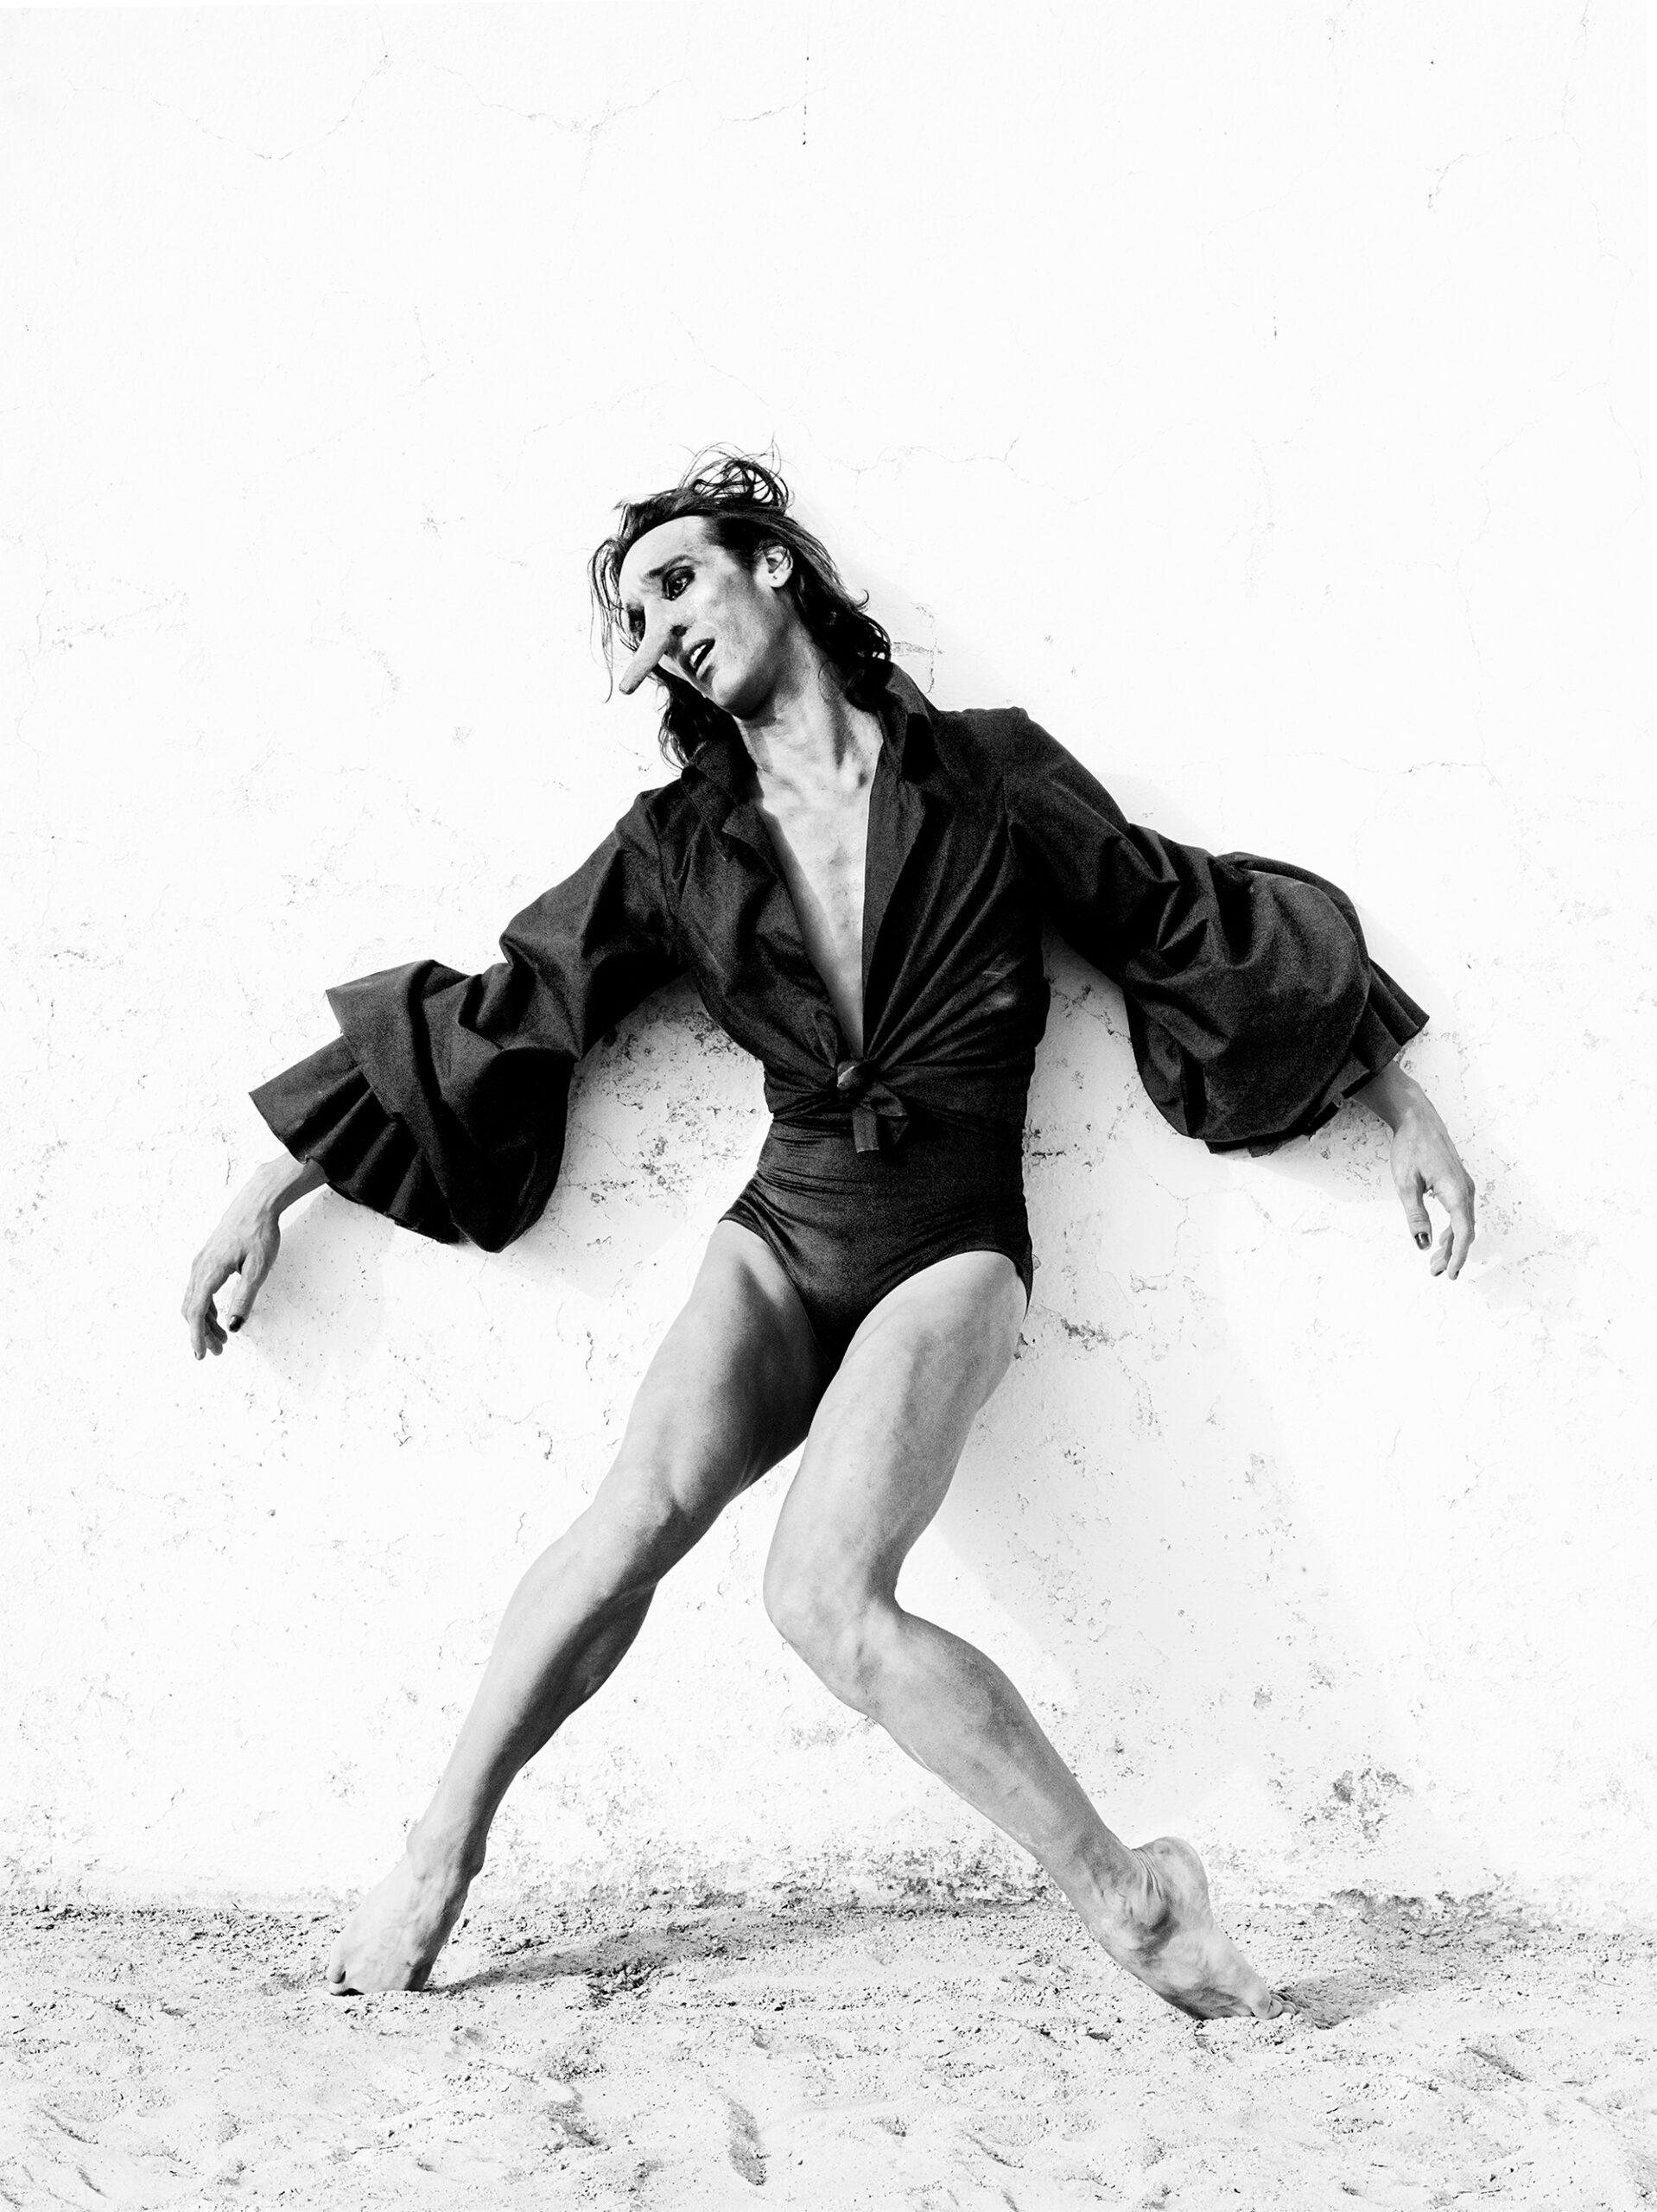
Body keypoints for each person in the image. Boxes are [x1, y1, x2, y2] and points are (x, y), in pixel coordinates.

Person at [181, 450, 1476, 2017]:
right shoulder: (676, 844)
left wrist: (1397, 1101)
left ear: (772, 566)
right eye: (634, 620)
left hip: (950, 1245)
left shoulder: (989, 772)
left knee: (821, 1600)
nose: (661, 627)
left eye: (677, 581)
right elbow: (510, 1010)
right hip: (780, 1231)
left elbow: (1176, 923)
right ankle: (436, 1854)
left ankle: (1137, 1902)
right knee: (626, 1524)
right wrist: (266, 1187)